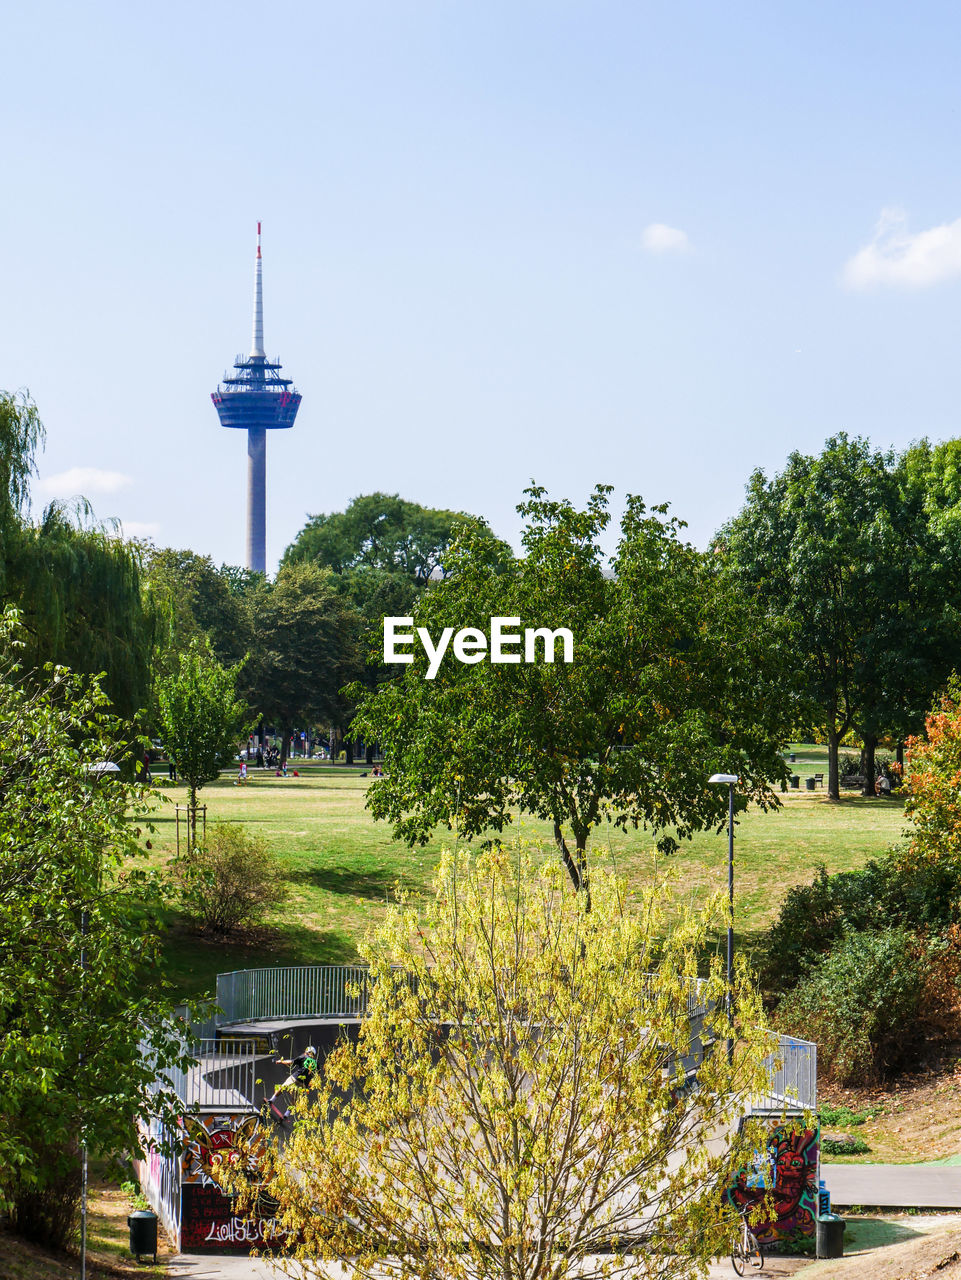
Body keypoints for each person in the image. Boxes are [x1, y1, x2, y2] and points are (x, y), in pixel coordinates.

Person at [264, 1044, 318, 1124]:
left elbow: (291, 1062)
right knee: (294, 1100)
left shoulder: (304, 1056)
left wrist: (281, 1062)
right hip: (303, 1084)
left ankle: (271, 1100)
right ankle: (286, 1115)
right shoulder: (316, 1064)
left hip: (295, 1078)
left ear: (307, 1051)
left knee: (282, 1087)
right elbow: (316, 1076)